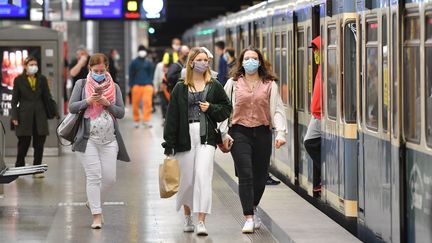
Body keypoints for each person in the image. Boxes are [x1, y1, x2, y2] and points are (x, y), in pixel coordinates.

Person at [162, 47, 232, 236]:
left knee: (203, 175)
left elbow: (226, 108)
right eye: (200, 60)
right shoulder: (180, 87)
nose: (204, 63)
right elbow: (172, 116)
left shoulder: (214, 85)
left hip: (206, 137)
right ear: (191, 62)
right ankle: (187, 216)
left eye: (206, 60)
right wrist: (168, 144)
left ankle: (201, 220)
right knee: (187, 179)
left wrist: (211, 108)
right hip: (184, 138)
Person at [220, 46, 287, 233]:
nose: (250, 61)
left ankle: (254, 206)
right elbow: (225, 110)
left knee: (259, 177)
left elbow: (278, 110)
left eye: (254, 58)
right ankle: (248, 216)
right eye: (247, 58)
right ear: (242, 62)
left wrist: (280, 133)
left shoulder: (270, 85)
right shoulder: (233, 84)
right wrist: (223, 133)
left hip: (263, 133)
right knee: (246, 174)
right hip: (239, 132)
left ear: (260, 62)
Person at [68, 53, 130, 229]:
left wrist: (107, 103)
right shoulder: (81, 84)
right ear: (90, 69)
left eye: (102, 70)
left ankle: (92, 202)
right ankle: (96, 214)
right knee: (94, 176)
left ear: (107, 68)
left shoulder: (115, 87)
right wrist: (87, 101)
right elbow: (72, 107)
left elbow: (121, 113)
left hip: (110, 139)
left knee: (110, 178)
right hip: (87, 139)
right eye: (95, 70)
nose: (98, 73)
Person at [10, 56, 56, 178]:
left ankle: (37, 169)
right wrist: (14, 116)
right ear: (25, 66)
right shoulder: (18, 80)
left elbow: (47, 96)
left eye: (35, 64)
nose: (33, 66)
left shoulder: (42, 79)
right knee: (23, 143)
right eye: (31, 64)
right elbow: (14, 100)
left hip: (40, 115)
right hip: (24, 115)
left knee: (39, 143)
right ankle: (19, 167)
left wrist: (54, 110)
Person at [304, 36, 322, 194]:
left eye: (316, 49)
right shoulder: (321, 68)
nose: (315, 53)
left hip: (322, 116)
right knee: (310, 143)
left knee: (310, 142)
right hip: (317, 115)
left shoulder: (327, 69)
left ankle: (324, 171)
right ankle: (321, 177)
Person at [129, 45, 155, 128]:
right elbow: (131, 74)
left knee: (148, 103)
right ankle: (136, 120)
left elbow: (152, 74)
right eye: (141, 50)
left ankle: (146, 120)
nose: (142, 52)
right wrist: (131, 85)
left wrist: (151, 83)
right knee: (135, 104)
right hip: (136, 85)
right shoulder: (134, 62)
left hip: (147, 85)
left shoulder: (149, 62)